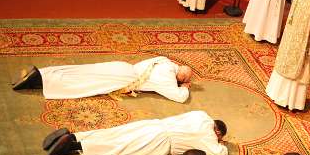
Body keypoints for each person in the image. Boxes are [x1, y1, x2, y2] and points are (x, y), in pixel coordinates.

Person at [45, 112, 229, 155]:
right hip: (161, 141)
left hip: (155, 123)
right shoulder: (210, 137)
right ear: (218, 132)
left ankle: (74, 135)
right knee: (120, 147)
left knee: (115, 133)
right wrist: (220, 144)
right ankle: (74, 145)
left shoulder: (201, 115)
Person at [12, 56, 193, 102]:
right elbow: (179, 97)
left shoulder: (164, 61)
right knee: (83, 83)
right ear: (180, 77)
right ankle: (39, 82)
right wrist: (184, 87)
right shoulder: (168, 80)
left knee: (83, 71)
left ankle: (42, 73)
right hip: (123, 79)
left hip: (121, 66)